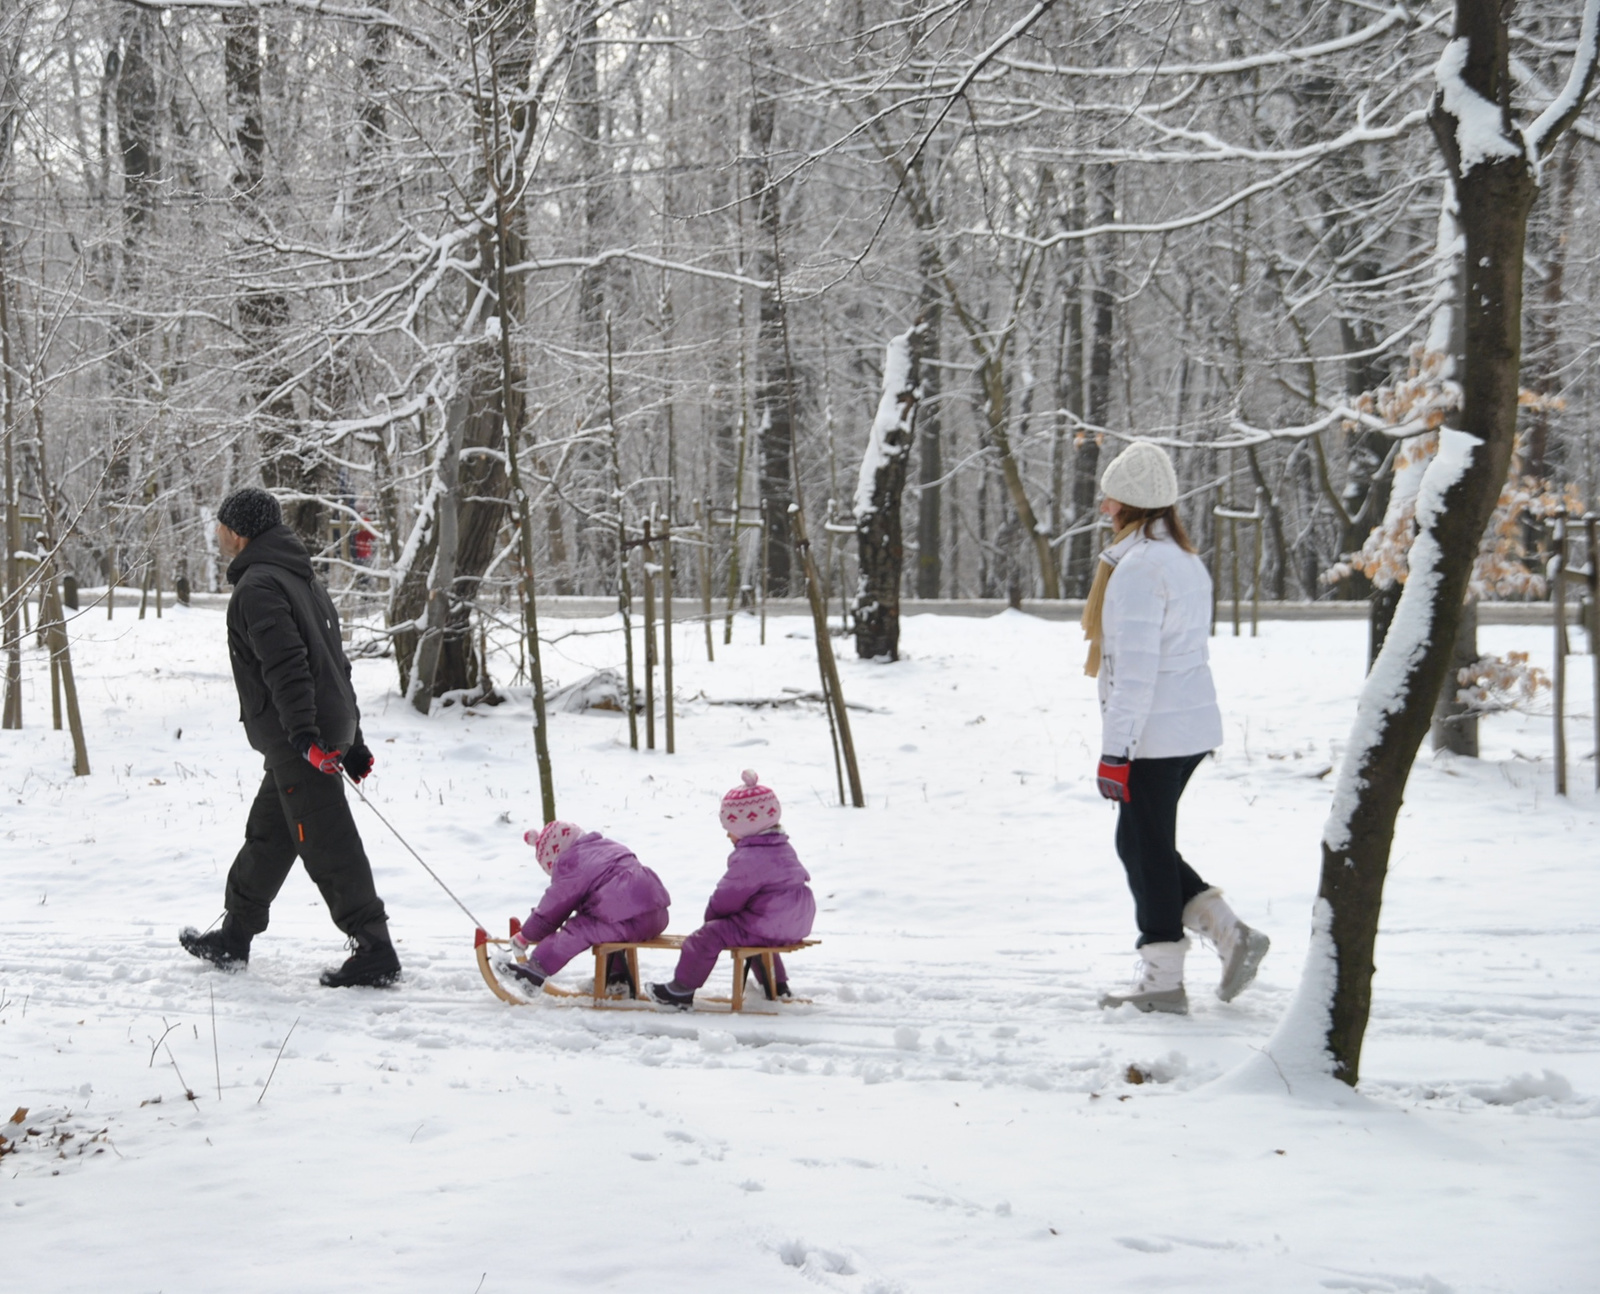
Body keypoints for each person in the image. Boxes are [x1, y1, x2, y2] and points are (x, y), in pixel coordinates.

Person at [179, 487, 399, 988]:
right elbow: (336, 669)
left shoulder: (259, 586)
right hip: (311, 734)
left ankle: (375, 949)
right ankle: (234, 936)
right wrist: (352, 736)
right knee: (269, 837)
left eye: (220, 525)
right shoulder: (301, 578)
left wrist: (305, 737)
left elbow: (290, 668)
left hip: (302, 738)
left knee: (329, 843)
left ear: (238, 532)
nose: (216, 533)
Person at [1083, 442, 1269, 1014]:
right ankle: (1225, 930)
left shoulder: (1137, 569)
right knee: (1142, 843)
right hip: (1184, 727)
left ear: (1129, 502)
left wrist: (1117, 752)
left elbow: (1136, 671)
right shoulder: (1181, 558)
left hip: (1156, 735)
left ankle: (1164, 978)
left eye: (1109, 494)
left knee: (1146, 849)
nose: (1102, 504)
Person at [649, 771, 815, 1009]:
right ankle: (777, 986)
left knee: (708, 937)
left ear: (748, 826)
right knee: (755, 934)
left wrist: (712, 921)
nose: (728, 834)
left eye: (731, 829)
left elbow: (729, 894)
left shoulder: (750, 857)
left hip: (771, 921)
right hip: (797, 920)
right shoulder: (782, 846)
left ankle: (679, 991)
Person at [503, 821, 671, 997]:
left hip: (628, 917)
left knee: (580, 929)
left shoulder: (572, 864)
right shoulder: (606, 846)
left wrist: (527, 935)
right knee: (603, 921)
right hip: (657, 913)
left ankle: (535, 971)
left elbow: (552, 910)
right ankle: (615, 977)